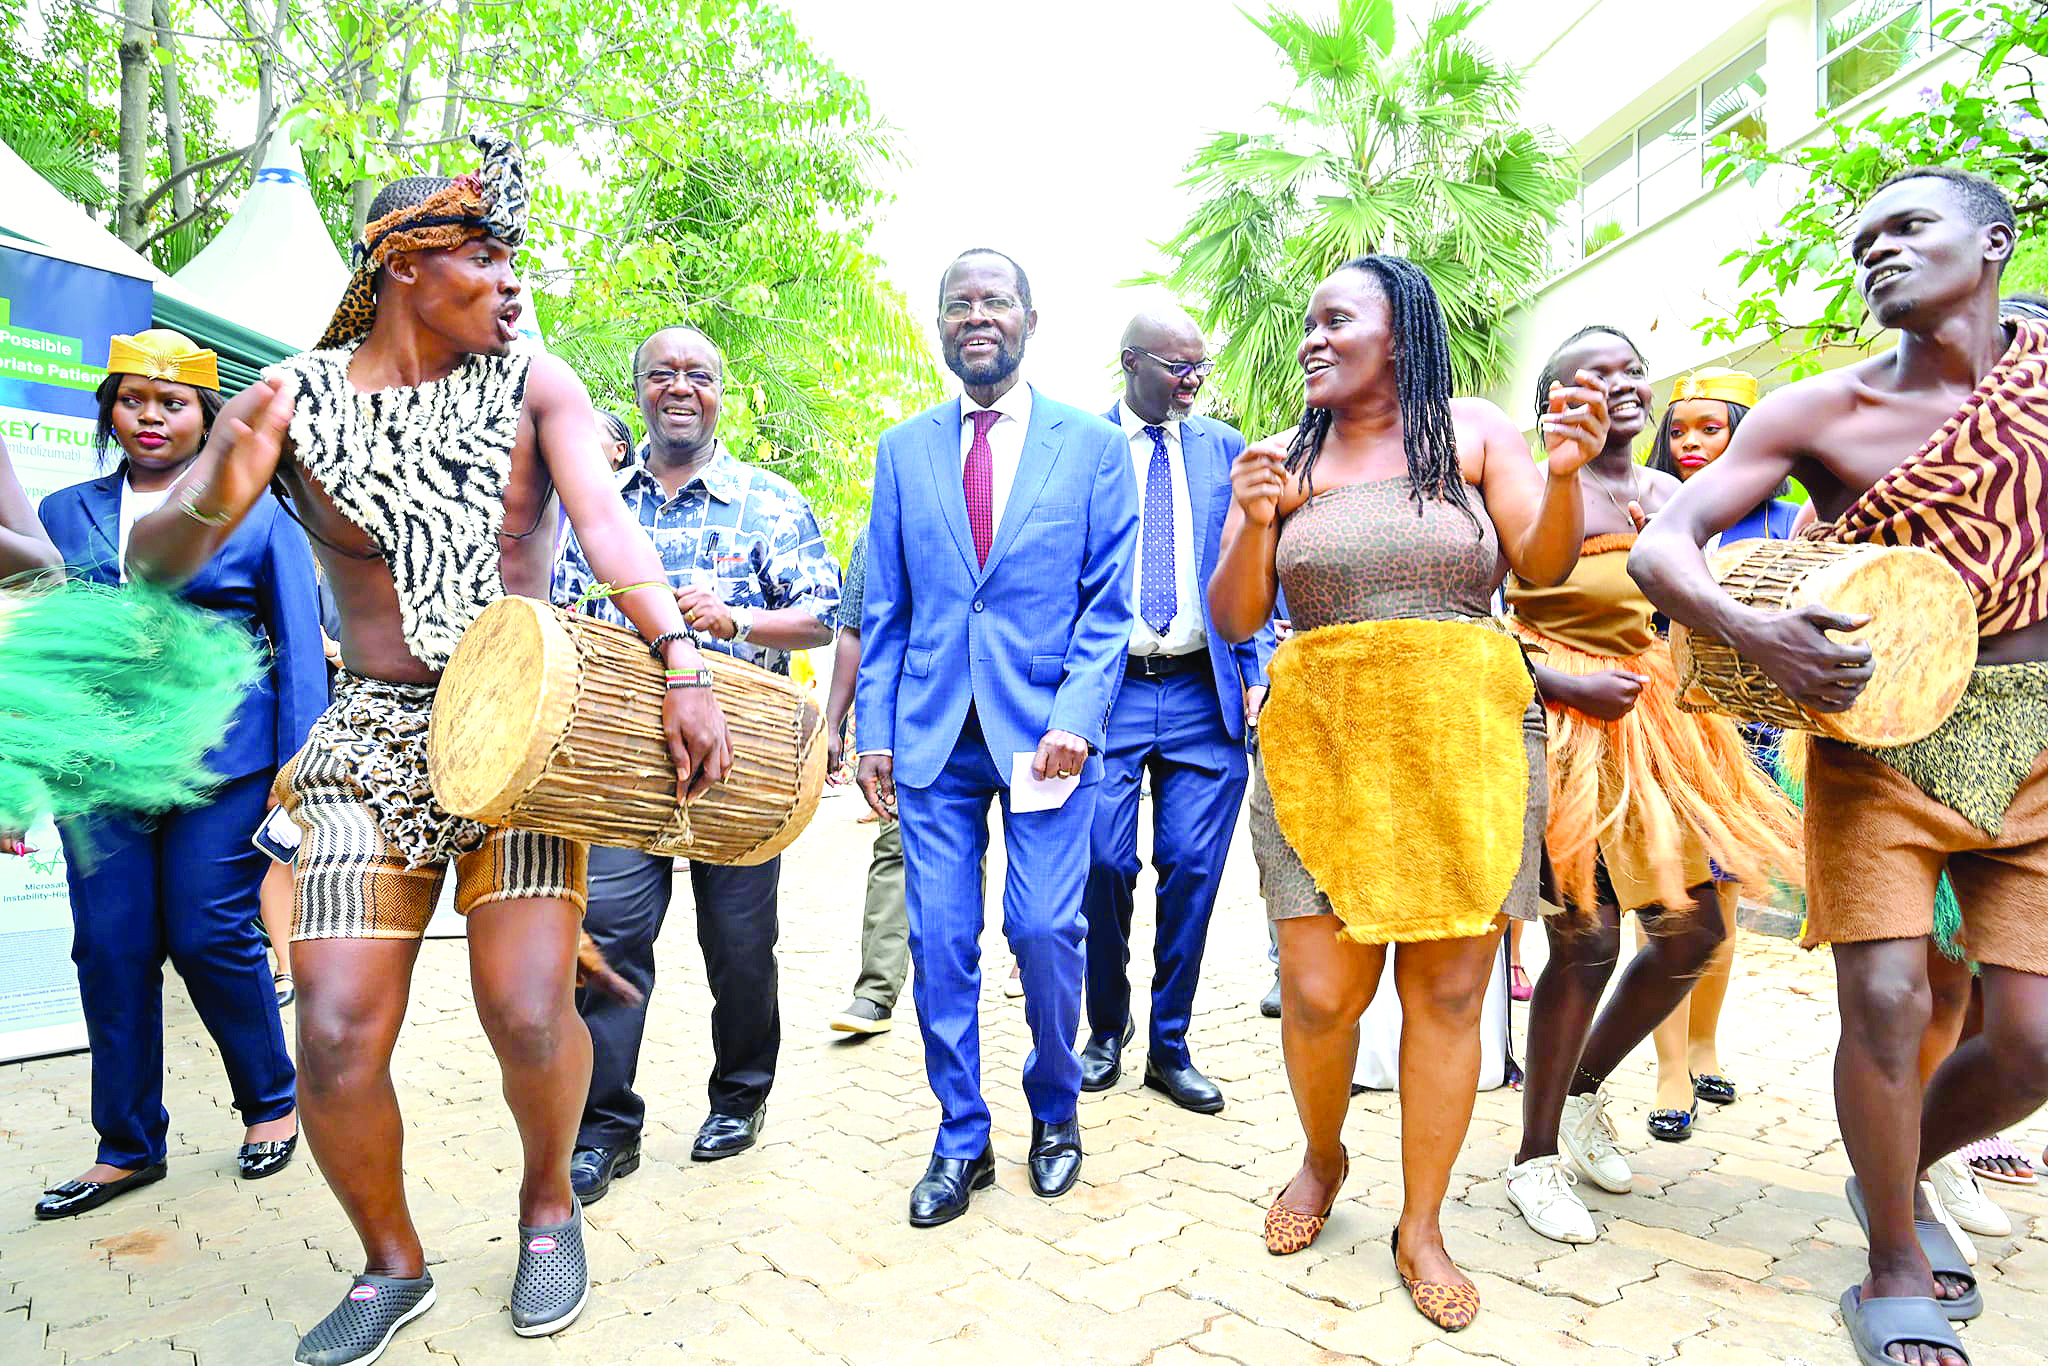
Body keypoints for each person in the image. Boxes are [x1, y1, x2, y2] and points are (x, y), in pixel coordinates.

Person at [124, 134, 732, 1364]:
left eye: (514, 254)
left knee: (523, 1008)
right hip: (374, 734)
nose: (512, 279)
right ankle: (392, 1263)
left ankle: (548, 1205)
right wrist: (213, 480)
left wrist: (677, 658)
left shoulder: (537, 384)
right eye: (485, 253)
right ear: (404, 267)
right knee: (337, 1031)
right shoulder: (291, 402)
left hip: (522, 734)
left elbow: (607, 526)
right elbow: (156, 565)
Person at [1631, 166, 2048, 1366]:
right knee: (1883, 997)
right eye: (1860, 238)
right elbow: (1669, 540)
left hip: (2033, 743)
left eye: (1906, 225)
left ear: (1992, 242)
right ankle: (1891, 1266)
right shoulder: (1817, 411)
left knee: (2027, 1040)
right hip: (1880, 736)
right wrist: (1749, 628)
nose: (1876, 249)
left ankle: (1893, 1166)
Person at [1210, 254, 1607, 1331]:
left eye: (1335, 319)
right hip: (1321, 746)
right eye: (1306, 322)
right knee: (1320, 994)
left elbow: (1542, 565)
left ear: (1402, 332)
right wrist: (1252, 522)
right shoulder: (1285, 453)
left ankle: (1421, 1223)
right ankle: (1322, 1156)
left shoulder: (1470, 429)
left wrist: (1565, 474)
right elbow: (1238, 616)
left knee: (1444, 996)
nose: (1310, 337)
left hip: (1462, 745)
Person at [856, 248, 1139, 1227]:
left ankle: (1054, 1110)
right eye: (956, 303)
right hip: (933, 735)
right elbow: (886, 608)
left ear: (1027, 317)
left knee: (1043, 931)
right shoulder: (903, 450)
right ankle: (960, 1137)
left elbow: (1108, 605)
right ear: (939, 326)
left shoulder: (1090, 448)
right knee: (938, 941)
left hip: (1044, 736)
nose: (975, 315)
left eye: (993, 300)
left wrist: (1074, 716)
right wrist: (872, 729)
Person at [1501, 331, 1800, 1244]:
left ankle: (1586, 1092)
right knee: (1584, 944)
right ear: (1553, 394)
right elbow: (1474, 617)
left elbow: (1689, 610)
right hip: (1557, 719)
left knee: (1696, 929)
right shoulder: (1525, 481)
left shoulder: (1669, 494)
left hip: (1656, 717)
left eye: (1630, 371)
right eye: (1590, 372)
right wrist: (1558, 683)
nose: (1617, 386)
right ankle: (1535, 1158)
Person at [33, 330, 325, 1221]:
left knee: (207, 934)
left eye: (173, 404)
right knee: (110, 948)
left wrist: (301, 769)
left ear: (209, 419)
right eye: (132, 400)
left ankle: (271, 1102)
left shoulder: (260, 514)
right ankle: (127, 1146)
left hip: (222, 764)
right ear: (109, 409)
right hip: (100, 766)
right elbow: (47, 650)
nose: (150, 417)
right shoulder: (62, 512)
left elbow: (299, 648)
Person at [555, 325, 837, 1200]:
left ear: (722, 391)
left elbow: (824, 615)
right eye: (662, 374)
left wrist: (736, 620)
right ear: (638, 388)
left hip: (740, 765)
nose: (681, 388)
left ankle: (740, 1097)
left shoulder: (771, 502)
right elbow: (562, 607)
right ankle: (604, 1127)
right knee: (607, 942)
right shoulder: (593, 499)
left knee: (741, 948)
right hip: (624, 762)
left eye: (699, 375)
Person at [1078, 305, 1272, 1113]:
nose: (1194, 383)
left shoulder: (1226, 450)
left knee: (1192, 872)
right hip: (1109, 690)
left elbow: (1260, 560)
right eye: (1177, 369)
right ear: (1131, 363)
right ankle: (1105, 1030)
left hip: (1204, 688)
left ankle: (1171, 1045)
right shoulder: (1082, 449)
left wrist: (1258, 662)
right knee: (1102, 863)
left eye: (1202, 369)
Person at [1633, 366, 1796, 1141]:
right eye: (1680, 430)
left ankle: (1703, 1044)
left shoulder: (1791, 518)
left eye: (1710, 427)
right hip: (1663, 731)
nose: (1691, 443)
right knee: (1668, 895)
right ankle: (1667, 1068)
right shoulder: (1652, 513)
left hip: (1755, 737)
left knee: (1724, 902)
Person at [823, 527, 909, 1036]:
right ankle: (875, 992)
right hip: (918, 719)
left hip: (1017, 709)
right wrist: (834, 722)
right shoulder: (880, 527)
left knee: (1035, 848)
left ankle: (1029, 960)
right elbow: (853, 630)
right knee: (896, 848)